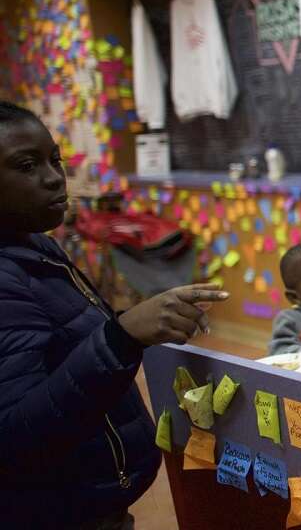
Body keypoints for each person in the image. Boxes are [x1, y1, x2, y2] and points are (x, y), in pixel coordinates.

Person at [0, 101, 229, 528]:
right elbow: (16, 436)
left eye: (55, 159)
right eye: (27, 165)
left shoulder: (37, 247)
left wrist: (137, 322)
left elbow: (60, 347)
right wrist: (122, 337)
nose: (54, 178)